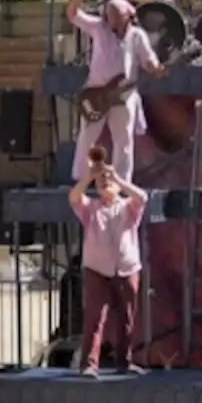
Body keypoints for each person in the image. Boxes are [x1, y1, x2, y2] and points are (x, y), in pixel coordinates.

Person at [66, 0, 165, 182]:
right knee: (87, 136)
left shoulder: (137, 35)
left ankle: (122, 181)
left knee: (124, 140)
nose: (112, 21)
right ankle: (79, 178)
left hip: (124, 96)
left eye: (117, 17)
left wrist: (155, 67)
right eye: (110, 16)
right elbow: (73, 14)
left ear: (128, 16)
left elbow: (148, 59)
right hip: (96, 93)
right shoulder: (98, 27)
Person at [68, 146, 149, 377]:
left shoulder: (127, 207)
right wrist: (89, 176)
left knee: (127, 317)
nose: (106, 184)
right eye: (101, 183)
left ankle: (125, 362)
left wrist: (117, 178)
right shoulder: (91, 209)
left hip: (127, 268)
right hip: (97, 268)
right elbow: (74, 197)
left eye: (109, 182)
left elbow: (141, 197)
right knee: (95, 317)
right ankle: (89, 365)